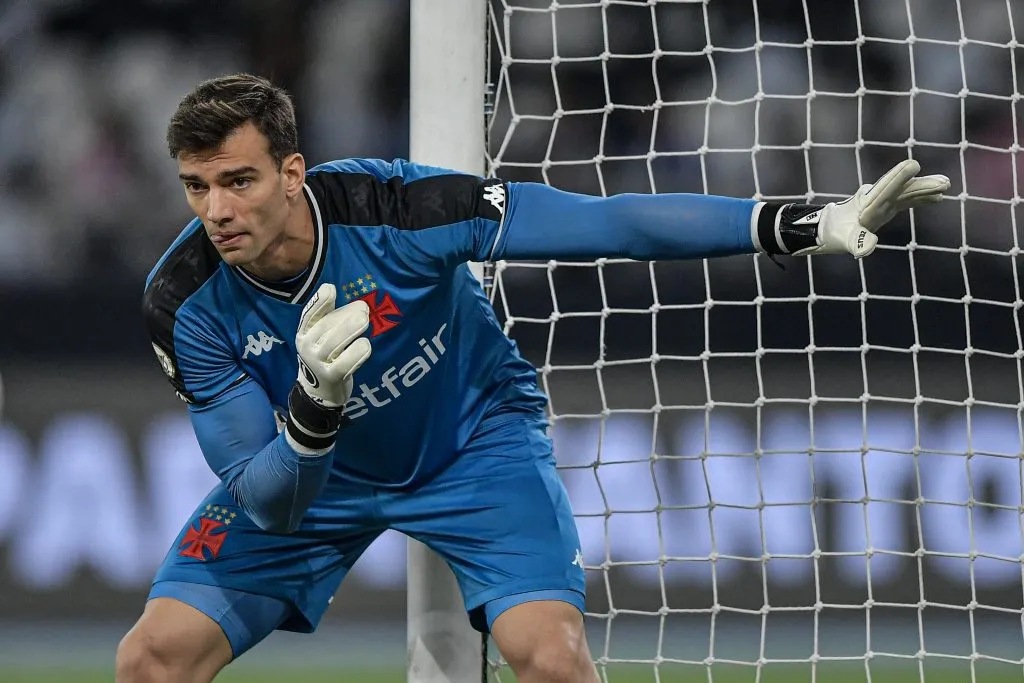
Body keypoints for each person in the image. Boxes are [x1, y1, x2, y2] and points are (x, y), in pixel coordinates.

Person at [121, 72, 949, 683]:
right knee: (152, 658)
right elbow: (269, 498)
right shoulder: (184, 304)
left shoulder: (401, 212)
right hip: (317, 474)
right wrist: (313, 410)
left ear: (293, 172)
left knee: (551, 659)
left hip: (474, 444)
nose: (218, 211)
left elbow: (607, 223)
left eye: (239, 181)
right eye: (197, 187)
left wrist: (798, 225)